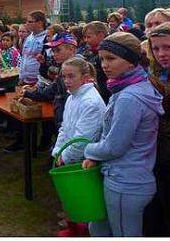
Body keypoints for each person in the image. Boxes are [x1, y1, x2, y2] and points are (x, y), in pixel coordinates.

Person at [83, 32, 164, 237]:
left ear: (130, 62)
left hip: (126, 182)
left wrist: (88, 150)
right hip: (125, 178)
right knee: (101, 228)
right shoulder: (128, 88)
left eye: (111, 58)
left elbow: (114, 146)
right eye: (102, 59)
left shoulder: (129, 96)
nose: (104, 65)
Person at [52, 57, 106, 237]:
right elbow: (65, 128)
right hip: (69, 156)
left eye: (71, 76)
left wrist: (65, 156)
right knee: (71, 199)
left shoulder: (90, 101)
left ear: (85, 77)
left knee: (84, 203)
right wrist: (57, 151)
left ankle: (81, 232)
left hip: (83, 161)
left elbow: (83, 140)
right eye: (64, 77)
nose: (66, 81)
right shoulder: (72, 97)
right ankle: (73, 227)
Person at [11, 32, 79, 153]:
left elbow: (52, 93)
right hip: (63, 118)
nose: (54, 54)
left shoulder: (77, 70)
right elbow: (50, 91)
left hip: (73, 121)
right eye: (53, 51)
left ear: (72, 49)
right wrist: (28, 93)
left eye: (58, 50)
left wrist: (29, 93)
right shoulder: (65, 67)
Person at [143, 22, 170, 236]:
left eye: (168, 47)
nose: (161, 54)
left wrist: (159, 156)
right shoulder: (164, 73)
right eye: (156, 49)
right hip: (162, 155)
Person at [79, 21, 111, 103]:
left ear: (101, 36)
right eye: (85, 37)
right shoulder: (90, 52)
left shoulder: (110, 54)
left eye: (88, 37)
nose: (86, 40)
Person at [19, 11, 47, 85]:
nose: (27, 24)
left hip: (39, 82)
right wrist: (21, 76)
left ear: (40, 23)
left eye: (30, 21)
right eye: (26, 21)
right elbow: (24, 57)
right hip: (25, 81)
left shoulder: (46, 38)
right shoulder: (29, 37)